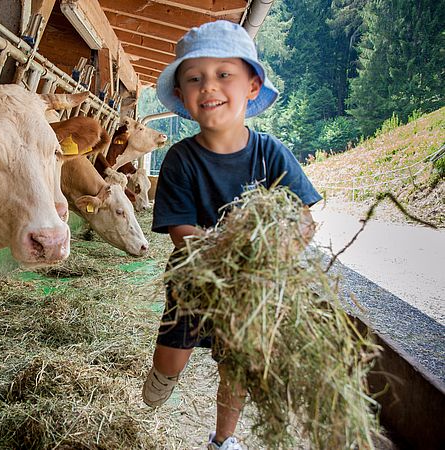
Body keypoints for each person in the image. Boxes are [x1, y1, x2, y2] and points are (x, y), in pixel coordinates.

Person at [141, 20, 322, 450]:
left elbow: (302, 218)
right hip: (193, 284)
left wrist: (274, 253)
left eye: (224, 74)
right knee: (172, 355)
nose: (209, 86)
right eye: (195, 78)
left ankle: (224, 439)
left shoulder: (270, 152)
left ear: (253, 86)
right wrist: (230, 250)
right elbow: (182, 234)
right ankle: (164, 374)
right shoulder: (180, 160)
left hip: (249, 291)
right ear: (183, 97)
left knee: (235, 366)